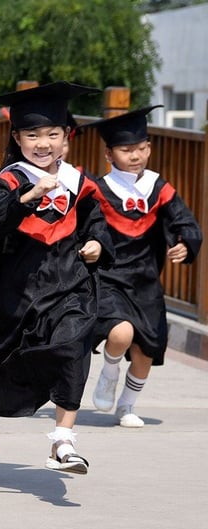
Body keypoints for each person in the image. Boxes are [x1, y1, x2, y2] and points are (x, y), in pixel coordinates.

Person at [0, 81, 114, 474]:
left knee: (73, 346)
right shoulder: (9, 180)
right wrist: (28, 196)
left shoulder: (81, 182)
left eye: (52, 134)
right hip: (16, 288)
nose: (42, 142)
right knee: (5, 361)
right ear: (17, 137)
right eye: (32, 134)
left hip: (68, 283)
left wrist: (96, 242)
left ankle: (63, 442)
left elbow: (96, 221)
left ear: (66, 138)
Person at [86, 106, 202, 427]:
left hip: (147, 281)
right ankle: (109, 371)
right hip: (110, 278)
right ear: (109, 154)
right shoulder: (98, 190)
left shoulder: (159, 188)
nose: (135, 155)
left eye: (141, 148)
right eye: (126, 150)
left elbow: (185, 222)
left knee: (146, 351)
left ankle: (127, 406)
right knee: (121, 333)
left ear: (149, 148)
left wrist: (185, 243)